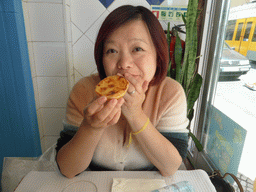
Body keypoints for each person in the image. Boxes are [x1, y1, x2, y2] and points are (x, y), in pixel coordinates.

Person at [56, 5, 189, 179]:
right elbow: (68, 169)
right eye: (112, 51)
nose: (124, 63)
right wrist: (90, 127)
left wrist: (135, 113)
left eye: (137, 49)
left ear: (158, 54)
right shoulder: (84, 90)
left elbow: (170, 167)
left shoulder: (170, 93)